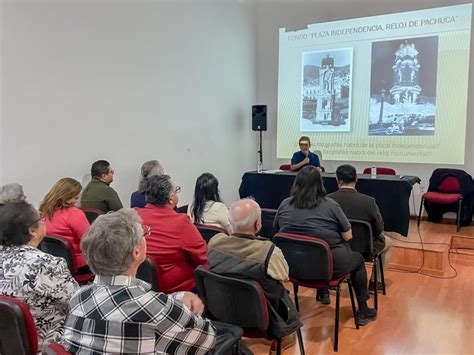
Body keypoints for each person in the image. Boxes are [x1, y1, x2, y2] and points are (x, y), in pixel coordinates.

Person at [60, 209, 242, 354]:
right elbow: (207, 340)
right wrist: (180, 309)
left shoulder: (78, 298)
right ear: (137, 253)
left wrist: (175, 299)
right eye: (144, 235)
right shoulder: (159, 309)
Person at [274, 166, 377, 325]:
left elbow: (277, 228)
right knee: (357, 260)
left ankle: (323, 294)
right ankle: (363, 309)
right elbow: (348, 236)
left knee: (314, 252)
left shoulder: (284, 204)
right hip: (329, 268)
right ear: (320, 183)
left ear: (297, 183)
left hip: (292, 267)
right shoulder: (330, 205)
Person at [207, 198, 301, 353]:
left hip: (222, 312)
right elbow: (284, 276)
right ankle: (284, 337)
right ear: (258, 224)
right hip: (262, 319)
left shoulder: (214, 242)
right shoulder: (268, 252)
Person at [0, 202, 79, 350]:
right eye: (41, 218)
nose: (44, 220)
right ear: (32, 231)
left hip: (6, 344)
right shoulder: (46, 264)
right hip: (44, 344)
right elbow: (77, 302)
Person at [136, 175, 207, 293]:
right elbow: (204, 258)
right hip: (178, 292)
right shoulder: (181, 223)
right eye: (176, 191)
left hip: (142, 288)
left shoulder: (134, 216)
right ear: (171, 199)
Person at [327, 164, 393, 292]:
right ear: (356, 179)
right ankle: (376, 283)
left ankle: (335, 279)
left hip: (335, 248)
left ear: (337, 180)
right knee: (389, 242)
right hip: (364, 249)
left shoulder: (327, 200)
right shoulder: (368, 201)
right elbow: (379, 229)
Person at [39, 178, 90, 269]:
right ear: (67, 197)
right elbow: (90, 241)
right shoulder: (74, 214)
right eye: (75, 198)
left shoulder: (43, 212)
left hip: (53, 264)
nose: (77, 202)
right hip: (79, 265)